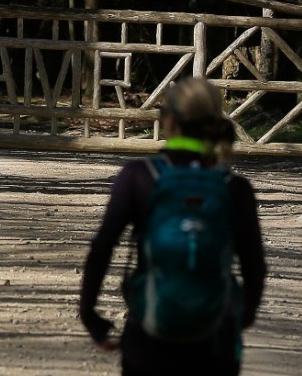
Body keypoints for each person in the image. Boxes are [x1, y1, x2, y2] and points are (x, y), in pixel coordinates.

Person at [79, 77, 266, 375]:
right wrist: (240, 317)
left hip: (149, 339)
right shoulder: (235, 188)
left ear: (167, 120)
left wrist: (90, 315)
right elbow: (254, 264)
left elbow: (102, 247)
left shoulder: (139, 177)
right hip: (215, 343)